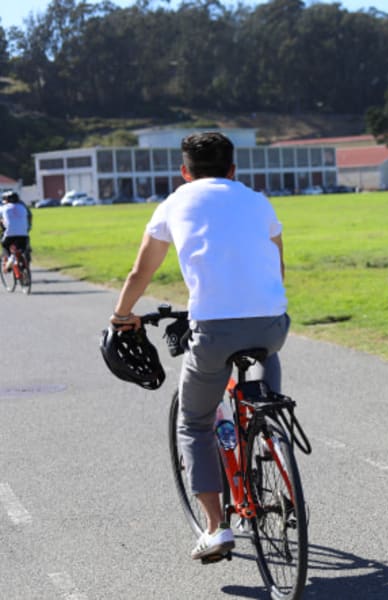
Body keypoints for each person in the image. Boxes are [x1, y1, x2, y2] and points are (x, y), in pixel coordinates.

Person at [109, 131, 290, 561]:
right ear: (233, 170)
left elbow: (140, 273)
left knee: (194, 422)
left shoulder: (174, 203)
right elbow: (277, 265)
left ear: (184, 172)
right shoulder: (258, 201)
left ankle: (215, 529)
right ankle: (271, 431)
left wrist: (121, 315)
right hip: (271, 324)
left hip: (213, 330)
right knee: (266, 375)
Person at [0, 191, 32, 271]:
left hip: (9, 233)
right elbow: (29, 216)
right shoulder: (23, 207)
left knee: (4, 244)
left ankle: (10, 259)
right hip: (23, 234)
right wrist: (28, 227)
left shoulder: (3, 207)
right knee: (23, 247)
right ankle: (23, 259)